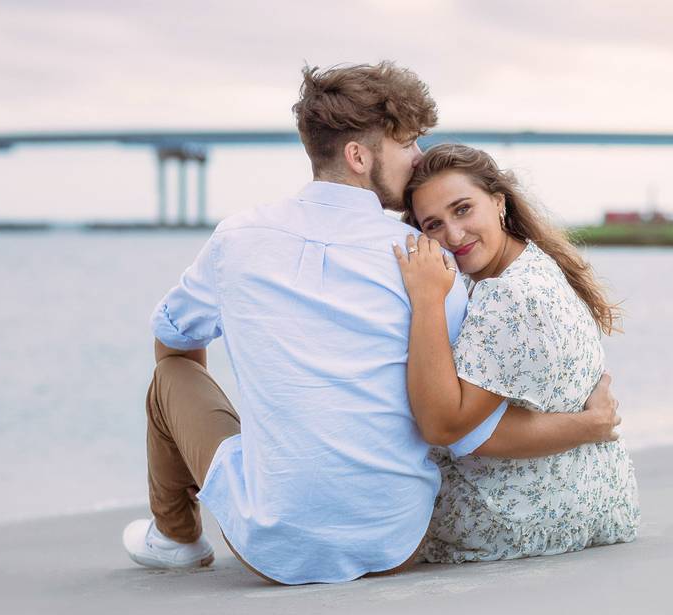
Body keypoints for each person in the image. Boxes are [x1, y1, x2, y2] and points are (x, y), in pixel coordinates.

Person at [121, 62, 624, 585]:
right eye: (406, 144)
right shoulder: (426, 262)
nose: (419, 157)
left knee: (172, 374)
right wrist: (587, 425)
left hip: (275, 549)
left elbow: (174, 333)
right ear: (359, 156)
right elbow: (458, 420)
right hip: (397, 540)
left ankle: (176, 538)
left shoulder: (237, 239)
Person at [393, 144, 640, 563]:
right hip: (590, 501)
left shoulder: (507, 295)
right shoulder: (533, 263)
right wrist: (590, 424)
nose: (452, 236)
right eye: (432, 225)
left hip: (510, 521)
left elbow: (443, 427)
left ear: (498, 202)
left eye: (463, 209)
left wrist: (427, 299)